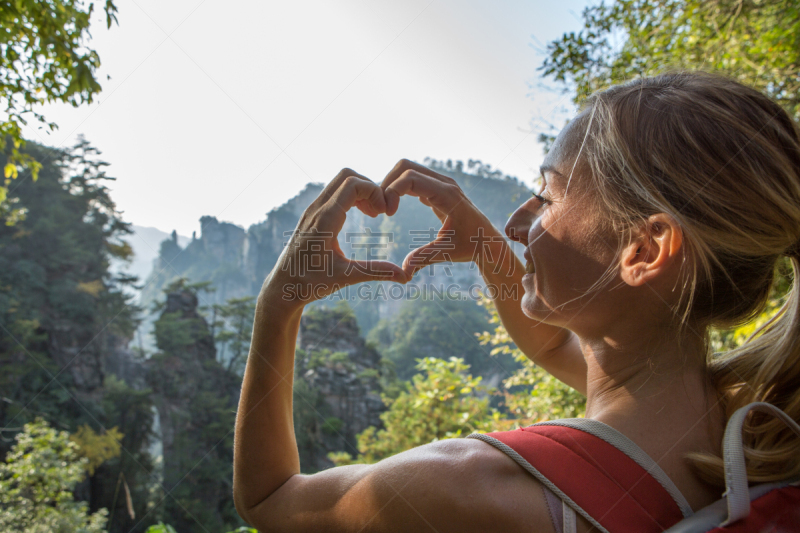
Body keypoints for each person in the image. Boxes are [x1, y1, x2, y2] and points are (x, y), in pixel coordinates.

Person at [232, 72, 800, 532]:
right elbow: (553, 344)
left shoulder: (467, 486)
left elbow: (271, 499)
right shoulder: (757, 430)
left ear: (644, 249)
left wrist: (279, 305)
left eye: (547, 195)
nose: (515, 220)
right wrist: (485, 248)